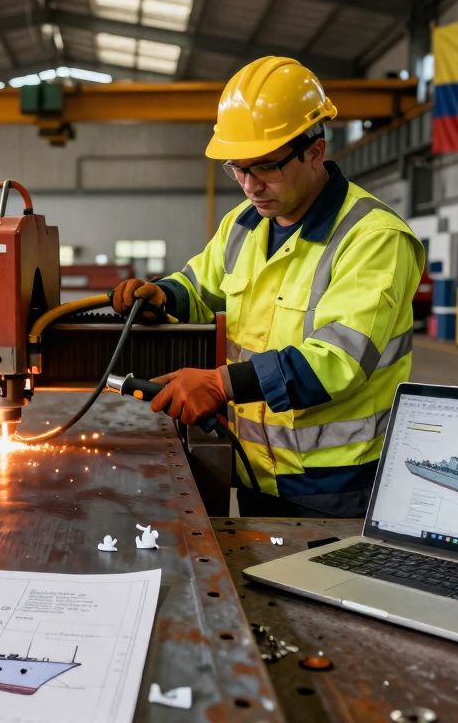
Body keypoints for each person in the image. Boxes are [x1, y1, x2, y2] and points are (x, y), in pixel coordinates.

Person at [111, 57, 425, 518]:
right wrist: (164, 296)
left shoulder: (373, 237)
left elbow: (339, 361)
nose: (249, 186)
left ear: (315, 151)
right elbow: (201, 285)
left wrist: (222, 384)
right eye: (237, 169)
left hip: (342, 487)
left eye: (266, 168)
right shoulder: (243, 226)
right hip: (256, 472)